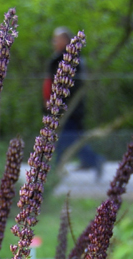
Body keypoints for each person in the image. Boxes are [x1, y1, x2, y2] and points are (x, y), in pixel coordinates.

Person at [44, 27, 104, 178]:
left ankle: (54, 169)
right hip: (64, 107)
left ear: (65, 40)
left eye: (56, 39)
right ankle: (91, 160)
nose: (54, 42)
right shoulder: (60, 59)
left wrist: (58, 103)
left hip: (70, 108)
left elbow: (72, 86)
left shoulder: (71, 60)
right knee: (73, 138)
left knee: (64, 138)